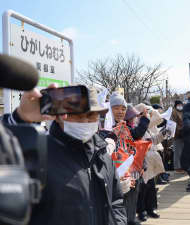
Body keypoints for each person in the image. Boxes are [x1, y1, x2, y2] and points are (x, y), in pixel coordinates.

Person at [3, 85, 127, 225]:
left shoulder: (102, 153)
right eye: (78, 115)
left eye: (92, 115)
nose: (86, 121)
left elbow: (116, 201)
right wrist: (19, 118)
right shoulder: (40, 152)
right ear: (59, 116)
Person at [110, 93, 149, 225]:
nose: (120, 111)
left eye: (123, 108)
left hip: (131, 173)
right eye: (116, 108)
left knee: (130, 206)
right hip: (113, 177)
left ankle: (131, 220)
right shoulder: (102, 128)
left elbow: (134, 142)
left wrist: (141, 165)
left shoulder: (125, 126)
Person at [135, 104, 167, 222]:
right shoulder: (137, 126)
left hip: (151, 159)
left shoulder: (147, 127)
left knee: (151, 186)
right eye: (144, 112)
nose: (148, 114)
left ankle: (151, 208)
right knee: (142, 187)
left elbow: (153, 140)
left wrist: (163, 134)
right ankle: (141, 210)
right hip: (140, 161)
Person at [170, 100, 184, 173]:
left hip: (183, 134)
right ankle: (177, 168)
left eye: (181, 104)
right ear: (175, 105)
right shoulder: (173, 112)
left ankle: (182, 166)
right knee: (177, 152)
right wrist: (180, 129)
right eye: (178, 105)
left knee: (182, 152)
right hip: (177, 134)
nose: (180, 106)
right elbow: (172, 124)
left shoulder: (183, 112)